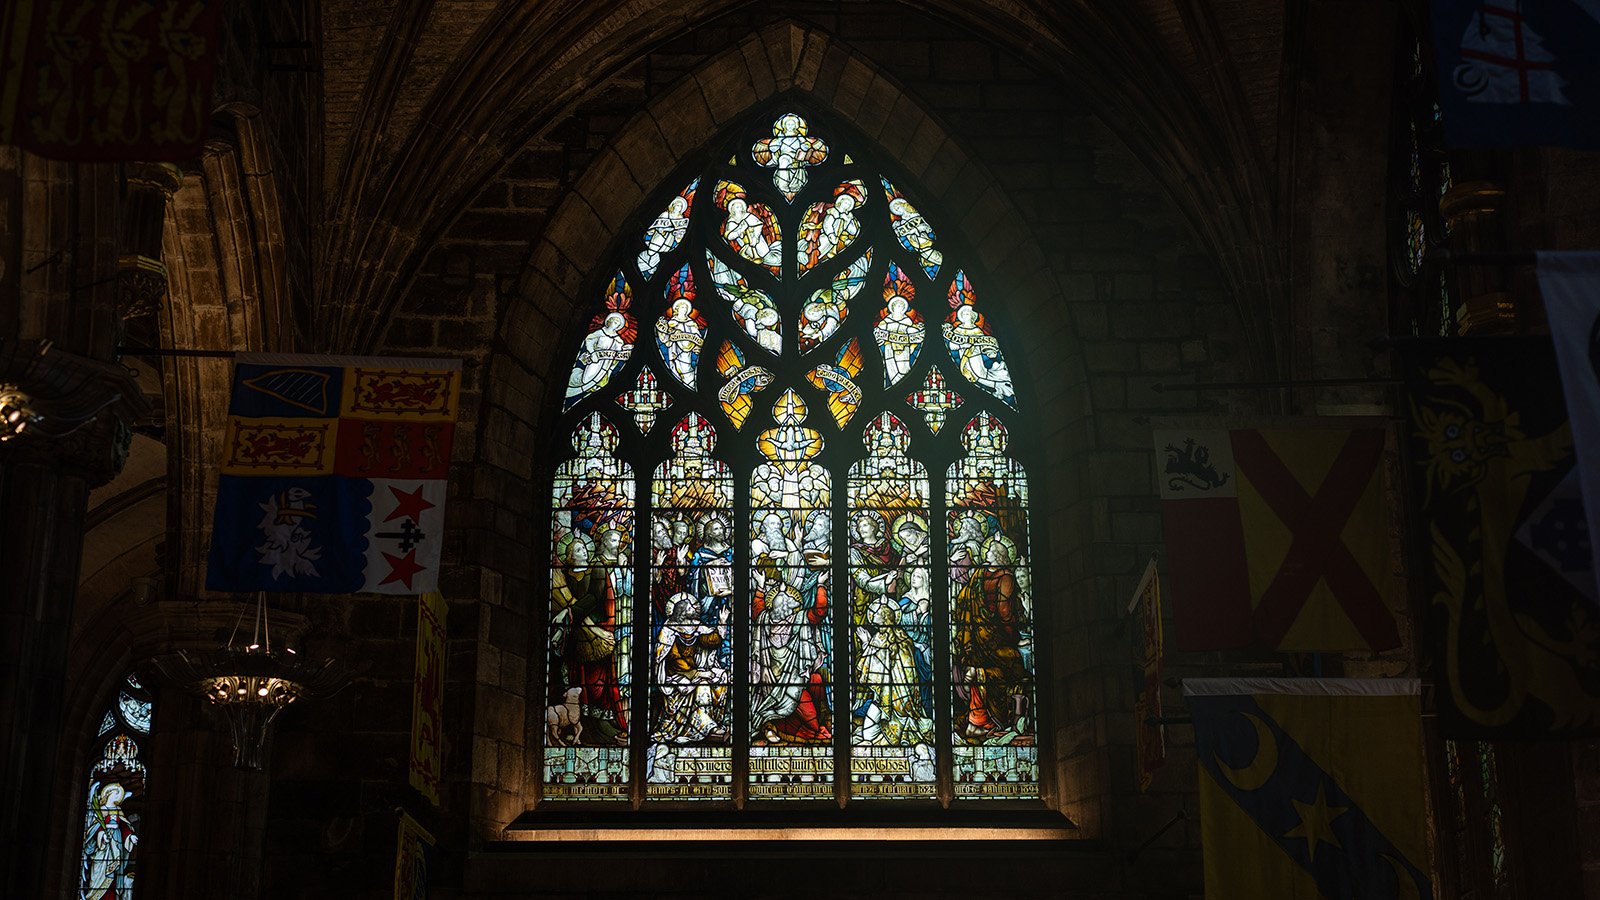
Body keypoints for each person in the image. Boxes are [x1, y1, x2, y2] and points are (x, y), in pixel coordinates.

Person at [749, 512, 831, 743]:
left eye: (787, 600)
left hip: (793, 675)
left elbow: (819, 612)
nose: (785, 601)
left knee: (813, 682)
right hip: (772, 677)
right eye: (781, 600)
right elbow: (757, 610)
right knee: (798, 695)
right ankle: (805, 728)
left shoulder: (798, 618)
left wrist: (820, 585)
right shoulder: (766, 619)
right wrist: (761, 586)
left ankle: (814, 727)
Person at [549, 533, 628, 742]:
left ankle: (602, 722)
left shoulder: (597, 569)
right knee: (576, 678)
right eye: (577, 550)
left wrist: (569, 612)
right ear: (569, 557)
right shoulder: (563, 576)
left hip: (597, 631)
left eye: (584, 548)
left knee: (597, 683)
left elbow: (594, 596)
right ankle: (581, 724)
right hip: (575, 635)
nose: (583, 551)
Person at [652, 594, 729, 743]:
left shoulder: (696, 626)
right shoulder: (669, 630)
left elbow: (710, 641)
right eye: (690, 607)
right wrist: (696, 674)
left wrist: (722, 622)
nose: (694, 608)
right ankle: (705, 727)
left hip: (694, 670)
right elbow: (674, 659)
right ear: (681, 611)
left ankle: (712, 723)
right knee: (702, 686)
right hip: (676, 674)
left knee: (721, 676)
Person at [942, 305, 1015, 403]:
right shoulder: (958, 330)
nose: (965, 316)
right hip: (964, 357)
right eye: (963, 314)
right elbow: (952, 346)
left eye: (967, 314)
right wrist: (963, 345)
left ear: (972, 316)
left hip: (975, 356)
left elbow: (984, 344)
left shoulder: (977, 331)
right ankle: (999, 386)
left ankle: (1000, 386)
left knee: (979, 375)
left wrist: (990, 351)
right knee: (973, 376)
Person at [80, 781, 137, 899]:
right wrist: (101, 835)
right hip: (103, 847)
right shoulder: (100, 810)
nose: (118, 797)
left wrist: (129, 836)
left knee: (113, 875)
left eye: (119, 795)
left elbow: (124, 827)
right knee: (98, 874)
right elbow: (93, 829)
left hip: (116, 843)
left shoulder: (118, 811)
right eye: (116, 794)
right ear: (109, 794)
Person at [566, 312, 632, 401]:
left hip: (607, 363)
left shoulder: (618, 339)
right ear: (609, 321)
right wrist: (592, 352)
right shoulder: (600, 333)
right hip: (596, 360)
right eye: (615, 322)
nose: (616, 325)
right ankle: (576, 380)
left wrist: (626, 349)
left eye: (618, 324)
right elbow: (589, 341)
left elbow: (619, 351)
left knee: (602, 378)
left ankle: (594, 387)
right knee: (587, 378)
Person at [874, 295, 924, 385]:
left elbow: (916, 335)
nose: (900, 308)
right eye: (898, 306)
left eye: (902, 306)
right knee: (891, 368)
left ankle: (904, 384)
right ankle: (894, 384)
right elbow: (879, 333)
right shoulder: (886, 321)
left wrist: (912, 346)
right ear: (893, 308)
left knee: (904, 369)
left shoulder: (907, 321)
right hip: (889, 348)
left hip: (904, 349)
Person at [638, 194, 690, 277]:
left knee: (660, 251)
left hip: (669, 239)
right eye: (677, 205)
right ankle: (644, 264)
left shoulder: (681, 218)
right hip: (659, 236)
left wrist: (678, 234)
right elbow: (655, 226)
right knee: (653, 250)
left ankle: (651, 265)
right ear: (673, 205)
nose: (679, 207)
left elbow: (680, 234)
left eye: (681, 206)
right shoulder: (665, 214)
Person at [654, 298, 703, 386]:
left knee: (687, 369)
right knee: (677, 369)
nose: (684, 309)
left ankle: (689, 384)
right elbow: (666, 339)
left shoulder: (691, 323)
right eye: (682, 307)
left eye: (686, 308)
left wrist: (697, 345)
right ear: (677, 309)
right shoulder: (672, 323)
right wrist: (662, 331)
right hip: (676, 352)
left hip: (688, 353)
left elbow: (698, 338)